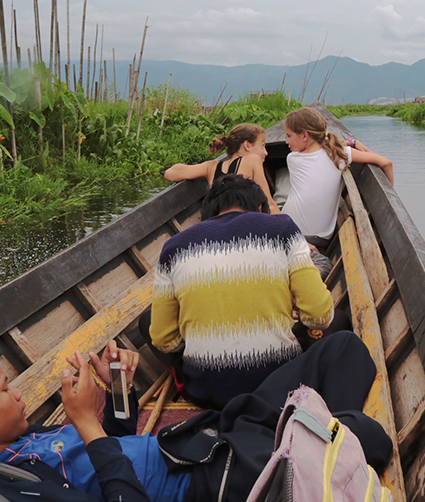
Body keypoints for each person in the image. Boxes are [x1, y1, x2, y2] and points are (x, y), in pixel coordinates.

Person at [0, 333, 390, 502]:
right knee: (369, 435)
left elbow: (118, 441)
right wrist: (86, 426)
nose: (19, 395)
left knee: (341, 350)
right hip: (216, 477)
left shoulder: (24, 439)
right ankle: (322, 441)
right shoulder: (16, 486)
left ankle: (317, 437)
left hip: (205, 437)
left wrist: (117, 389)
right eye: (4, 390)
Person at [150, 174, 334, 408]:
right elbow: (319, 317)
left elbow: (163, 340)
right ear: (260, 207)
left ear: (208, 214)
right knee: (338, 323)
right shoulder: (283, 228)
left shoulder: (174, 247)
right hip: (278, 386)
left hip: (206, 393)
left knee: (149, 321)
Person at [279, 107, 394, 245]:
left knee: (280, 180)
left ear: (305, 136)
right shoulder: (341, 155)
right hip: (321, 238)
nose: (286, 142)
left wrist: (349, 143)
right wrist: (390, 198)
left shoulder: (293, 159)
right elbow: (387, 163)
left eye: (289, 136)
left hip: (291, 233)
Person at [163, 122, 279, 213]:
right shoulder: (253, 159)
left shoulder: (211, 167)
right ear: (247, 145)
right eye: (262, 145)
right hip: (244, 225)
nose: (265, 152)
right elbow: (269, 203)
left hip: (217, 224)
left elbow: (170, 173)